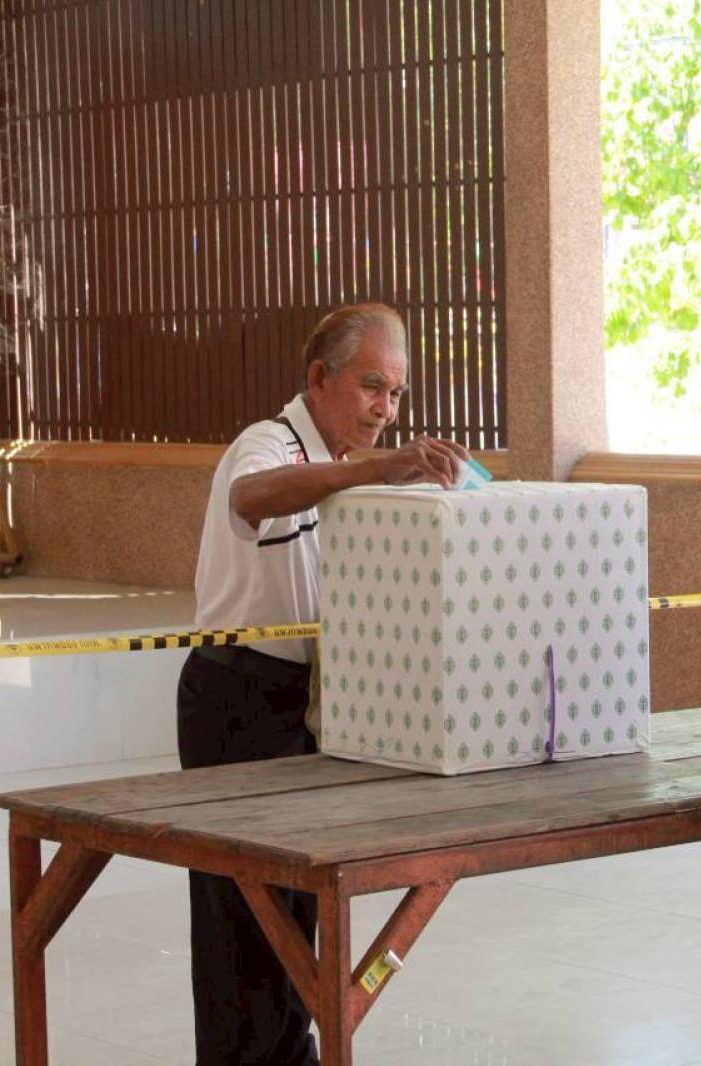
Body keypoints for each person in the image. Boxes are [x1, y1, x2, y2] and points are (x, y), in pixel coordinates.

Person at [181, 302, 467, 1066]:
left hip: (313, 704)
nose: (385, 410)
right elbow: (251, 498)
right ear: (318, 377)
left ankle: (291, 1054)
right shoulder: (268, 444)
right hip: (238, 697)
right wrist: (379, 466)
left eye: (396, 394)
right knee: (240, 909)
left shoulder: (352, 475)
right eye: (372, 386)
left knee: (299, 900)